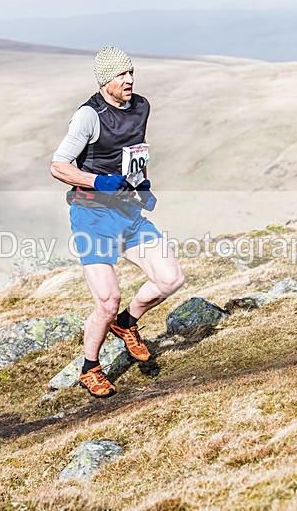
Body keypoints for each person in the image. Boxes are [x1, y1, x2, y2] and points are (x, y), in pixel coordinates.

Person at [50, 46, 185, 398]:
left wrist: (142, 184)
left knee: (171, 279)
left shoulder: (141, 106)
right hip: (92, 214)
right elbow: (58, 166)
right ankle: (90, 368)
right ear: (104, 80)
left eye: (131, 72)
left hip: (127, 211)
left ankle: (127, 323)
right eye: (121, 75)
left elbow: (136, 149)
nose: (129, 80)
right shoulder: (88, 116)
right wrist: (99, 181)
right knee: (108, 301)